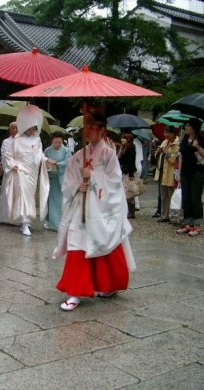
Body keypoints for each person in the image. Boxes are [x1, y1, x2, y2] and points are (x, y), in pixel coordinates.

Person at [55, 113, 135, 311]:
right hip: (81, 207)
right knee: (77, 243)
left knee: (102, 241)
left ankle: (108, 285)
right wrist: (77, 186)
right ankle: (74, 291)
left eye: (92, 127)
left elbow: (116, 182)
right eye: (86, 127)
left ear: (102, 130)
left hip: (100, 209)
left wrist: (94, 176)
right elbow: (68, 180)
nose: (88, 131)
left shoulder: (109, 155)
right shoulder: (78, 155)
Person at [0, 105, 50, 236]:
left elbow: (39, 154)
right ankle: (24, 222)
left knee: (30, 196)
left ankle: (25, 221)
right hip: (21, 170)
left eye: (34, 127)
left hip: (32, 172)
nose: (31, 130)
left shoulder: (37, 139)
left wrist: (45, 160)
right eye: (29, 127)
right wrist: (12, 164)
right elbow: (8, 155)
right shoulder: (17, 140)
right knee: (23, 196)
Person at [176, 117, 204, 237]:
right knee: (186, 199)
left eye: (188, 126)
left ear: (194, 128)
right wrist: (179, 172)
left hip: (197, 173)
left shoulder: (202, 140)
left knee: (195, 199)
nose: (186, 128)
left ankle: (197, 225)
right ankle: (187, 223)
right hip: (185, 173)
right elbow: (181, 157)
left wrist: (198, 147)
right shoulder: (184, 140)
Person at [43, 131, 71, 231]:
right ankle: (51, 222)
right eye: (55, 142)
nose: (57, 144)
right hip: (50, 177)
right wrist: (47, 161)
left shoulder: (66, 150)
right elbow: (43, 159)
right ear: (52, 141)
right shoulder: (47, 150)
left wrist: (58, 163)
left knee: (59, 201)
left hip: (61, 177)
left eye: (59, 142)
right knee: (50, 201)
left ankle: (57, 223)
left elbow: (68, 161)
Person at [154, 126, 179, 222]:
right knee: (163, 195)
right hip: (162, 172)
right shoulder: (164, 142)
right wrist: (158, 152)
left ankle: (173, 216)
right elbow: (157, 156)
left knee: (171, 195)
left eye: (167, 133)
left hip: (171, 173)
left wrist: (166, 153)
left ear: (173, 134)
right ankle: (164, 215)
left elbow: (174, 160)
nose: (165, 135)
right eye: (164, 133)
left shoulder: (177, 144)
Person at [0, 121, 18, 223]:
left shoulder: (22, 141)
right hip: (9, 171)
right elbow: (4, 155)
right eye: (12, 128)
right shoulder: (6, 141)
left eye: (16, 128)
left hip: (19, 171)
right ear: (9, 130)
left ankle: (16, 219)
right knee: (6, 193)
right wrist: (11, 164)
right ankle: (5, 218)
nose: (14, 130)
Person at [118, 133, 137, 219]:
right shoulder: (124, 147)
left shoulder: (131, 148)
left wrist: (131, 173)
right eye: (122, 138)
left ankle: (131, 211)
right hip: (124, 171)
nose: (122, 139)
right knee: (126, 191)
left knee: (129, 191)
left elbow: (131, 162)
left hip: (128, 172)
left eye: (124, 138)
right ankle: (128, 210)